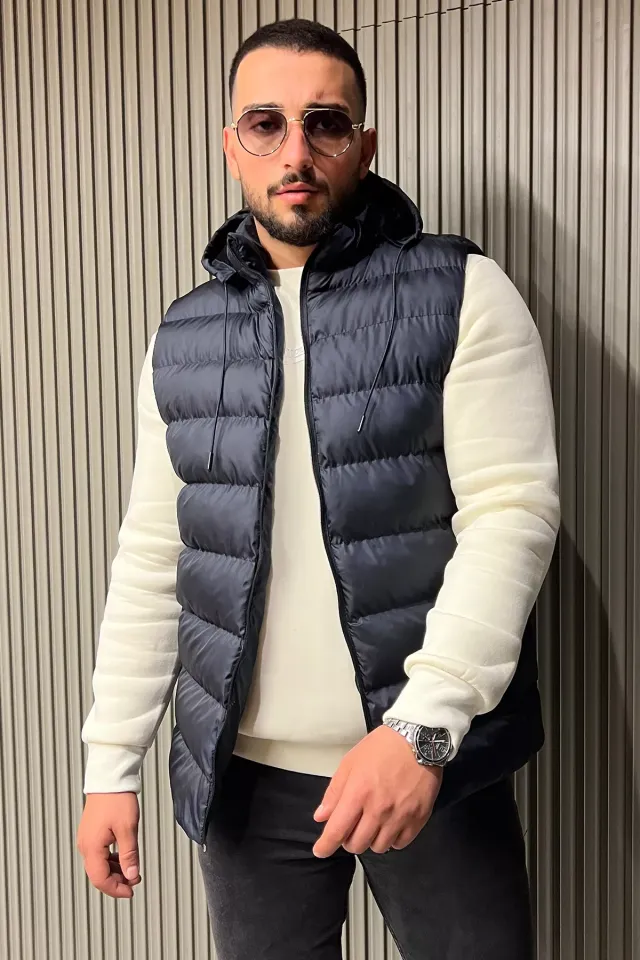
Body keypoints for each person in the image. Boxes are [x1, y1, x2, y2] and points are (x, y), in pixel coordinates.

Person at [76, 18, 560, 960]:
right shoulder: (184, 335)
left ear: (363, 144)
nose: (295, 152)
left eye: (325, 123)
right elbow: (155, 553)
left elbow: (513, 514)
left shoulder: (461, 290)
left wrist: (423, 731)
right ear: (232, 145)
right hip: (247, 784)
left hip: (428, 767)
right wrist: (110, 761)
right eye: (266, 123)